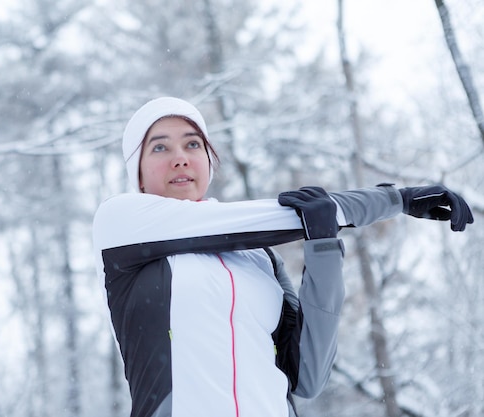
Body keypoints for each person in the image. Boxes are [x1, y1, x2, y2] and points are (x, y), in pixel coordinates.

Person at [92, 97, 473, 417]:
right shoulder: (121, 226)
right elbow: (284, 215)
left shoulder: (258, 256)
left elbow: (307, 377)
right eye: (159, 147)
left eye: (193, 144)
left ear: (210, 160)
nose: (180, 158)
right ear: (137, 172)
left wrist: (323, 245)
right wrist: (396, 200)